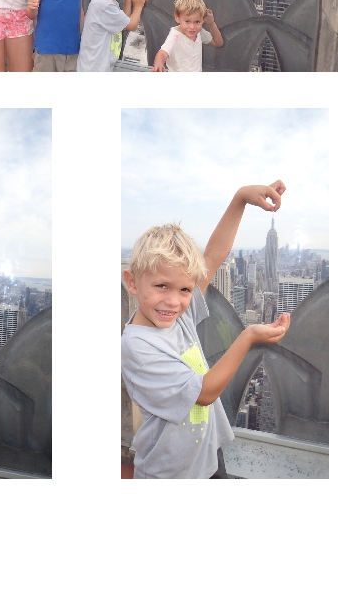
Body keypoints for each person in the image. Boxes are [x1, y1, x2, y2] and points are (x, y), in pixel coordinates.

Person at [121, 181, 291, 479]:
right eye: (161, 286)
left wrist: (240, 199)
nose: (173, 301)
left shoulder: (177, 316)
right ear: (132, 282)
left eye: (185, 289)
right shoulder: (137, 347)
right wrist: (248, 336)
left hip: (206, 456)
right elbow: (204, 393)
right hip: (169, 474)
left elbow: (212, 257)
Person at [77, 0, 146, 72]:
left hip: (94, 66)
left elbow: (123, 21)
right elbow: (130, 25)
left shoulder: (104, 0)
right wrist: (138, 6)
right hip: (95, 69)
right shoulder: (104, 5)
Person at [152, 0, 224, 72]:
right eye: (187, 21)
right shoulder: (175, 36)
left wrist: (211, 24)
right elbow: (163, 53)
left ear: (203, 20)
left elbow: (218, 43)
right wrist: (159, 63)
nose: (192, 27)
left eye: (197, 22)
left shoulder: (199, 32)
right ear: (177, 17)